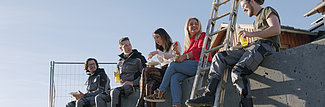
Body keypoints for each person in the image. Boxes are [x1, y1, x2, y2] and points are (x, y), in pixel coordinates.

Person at [185, 0, 281, 106]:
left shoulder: (267, 11)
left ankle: (246, 104)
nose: (243, 10)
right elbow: (257, 38)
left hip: (267, 46)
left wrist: (251, 34)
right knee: (219, 56)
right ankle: (209, 95)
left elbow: (276, 29)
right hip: (254, 46)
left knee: (238, 71)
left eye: (244, 6)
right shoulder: (255, 21)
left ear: (252, 1)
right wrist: (242, 45)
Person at [144, 17, 212, 107]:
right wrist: (177, 54)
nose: (194, 25)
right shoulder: (187, 42)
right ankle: (176, 104)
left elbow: (200, 50)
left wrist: (184, 56)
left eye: (196, 23)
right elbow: (184, 59)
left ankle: (160, 92)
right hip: (192, 67)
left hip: (203, 64)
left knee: (173, 65)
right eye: (191, 24)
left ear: (199, 26)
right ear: (187, 27)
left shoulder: (202, 35)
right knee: (174, 77)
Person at [136, 28, 182, 107]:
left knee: (146, 70)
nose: (156, 40)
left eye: (157, 37)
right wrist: (153, 66)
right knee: (149, 85)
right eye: (154, 38)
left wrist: (158, 52)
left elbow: (175, 57)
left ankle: (141, 100)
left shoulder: (174, 45)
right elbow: (162, 63)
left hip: (170, 71)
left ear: (163, 36)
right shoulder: (160, 50)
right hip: (162, 72)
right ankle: (143, 101)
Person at [96, 37, 147, 107]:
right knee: (99, 97)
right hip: (121, 86)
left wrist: (132, 83)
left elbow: (145, 75)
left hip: (133, 87)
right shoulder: (119, 61)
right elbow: (118, 78)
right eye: (126, 45)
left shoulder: (139, 58)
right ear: (121, 48)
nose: (129, 47)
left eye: (129, 44)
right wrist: (117, 76)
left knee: (115, 92)